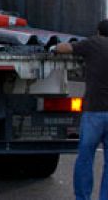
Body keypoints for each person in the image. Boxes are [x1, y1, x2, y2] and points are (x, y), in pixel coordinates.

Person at [54, 20, 108, 200]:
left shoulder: (93, 43)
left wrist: (54, 46)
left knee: (85, 158)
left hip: (94, 111)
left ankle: (82, 197)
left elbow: (64, 48)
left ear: (98, 32)